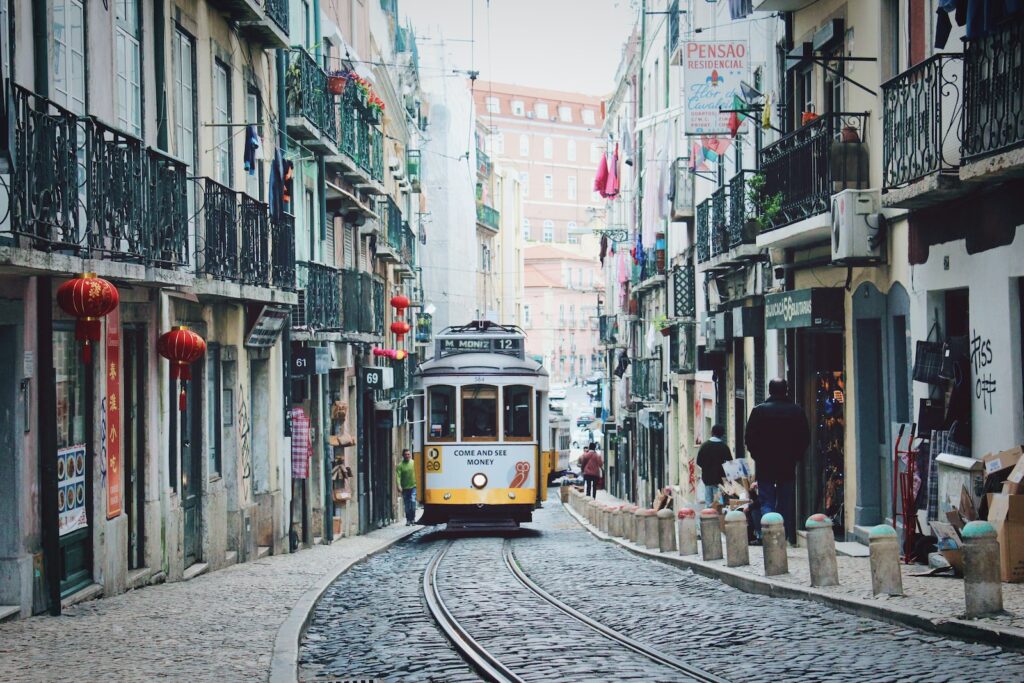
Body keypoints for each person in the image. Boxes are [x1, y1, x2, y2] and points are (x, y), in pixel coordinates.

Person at [745, 378, 810, 544]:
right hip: (787, 463)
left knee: (766, 500)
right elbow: (805, 438)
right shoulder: (796, 411)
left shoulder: (759, 411)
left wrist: (756, 455)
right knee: (785, 500)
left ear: (769, 390)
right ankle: (783, 534)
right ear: (786, 390)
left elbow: (749, 438)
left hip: (765, 464)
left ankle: (769, 534)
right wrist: (796, 456)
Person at [696, 424, 732, 507]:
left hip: (707, 479)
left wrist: (707, 468)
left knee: (708, 501)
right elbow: (730, 464)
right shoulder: (724, 447)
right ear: (722, 434)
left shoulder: (704, 446)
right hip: (720, 480)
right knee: (719, 503)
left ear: (711, 432)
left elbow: (699, 462)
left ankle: (708, 517)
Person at [395, 448, 418, 526]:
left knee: (413, 501)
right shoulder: (400, 465)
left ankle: (413, 519)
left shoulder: (414, 463)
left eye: (408, 454)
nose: (407, 456)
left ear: (410, 455)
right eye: (406, 454)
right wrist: (399, 485)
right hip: (405, 488)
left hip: (414, 486)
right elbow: (398, 476)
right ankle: (408, 520)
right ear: (403, 455)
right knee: (407, 504)